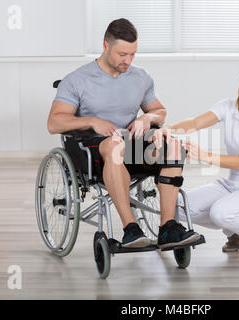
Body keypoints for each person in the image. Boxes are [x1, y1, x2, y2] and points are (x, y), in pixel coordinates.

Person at [47, 18, 200, 249]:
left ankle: (168, 227)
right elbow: (54, 122)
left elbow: (160, 111)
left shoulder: (141, 78)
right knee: (116, 147)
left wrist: (146, 118)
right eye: (122, 54)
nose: (127, 61)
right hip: (94, 146)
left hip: (132, 143)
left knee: (174, 147)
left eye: (133, 54)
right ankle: (131, 229)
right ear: (106, 45)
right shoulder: (76, 80)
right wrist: (92, 121)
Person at [153, 64, 239, 259]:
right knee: (175, 206)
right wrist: (168, 129)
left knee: (220, 213)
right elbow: (195, 123)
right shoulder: (228, 106)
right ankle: (235, 230)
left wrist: (204, 155)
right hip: (231, 185)